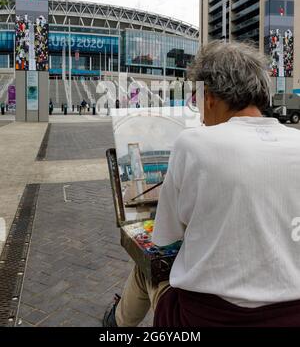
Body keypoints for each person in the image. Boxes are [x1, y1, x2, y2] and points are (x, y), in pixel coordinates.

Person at [103, 41, 300, 327]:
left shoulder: (193, 143)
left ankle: (115, 325)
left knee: (146, 265)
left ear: (209, 97)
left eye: (198, 100)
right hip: (291, 316)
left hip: (208, 318)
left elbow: (166, 237)